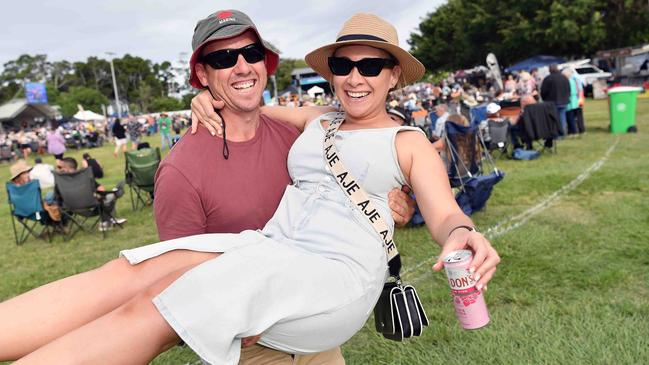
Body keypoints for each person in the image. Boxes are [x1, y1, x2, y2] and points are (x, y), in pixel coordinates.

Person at [0, 12, 500, 364]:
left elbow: (443, 212)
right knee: (141, 272)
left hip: (334, 275)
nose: (353, 78)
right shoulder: (317, 120)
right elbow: (249, 104)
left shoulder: (406, 140)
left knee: (154, 311)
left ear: (393, 76)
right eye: (343, 66)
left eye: (370, 67)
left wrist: (461, 233)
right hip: (270, 249)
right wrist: (206, 100)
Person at [55, 157, 125, 231]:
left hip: (71, 208)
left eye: (59, 167)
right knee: (110, 196)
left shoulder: (60, 181)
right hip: (91, 207)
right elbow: (101, 189)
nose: (57, 169)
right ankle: (106, 221)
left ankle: (108, 220)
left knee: (108, 197)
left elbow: (57, 197)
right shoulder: (84, 176)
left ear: (68, 168)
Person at [540, 64, 570, 136]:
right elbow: (568, 89)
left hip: (551, 102)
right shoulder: (564, 78)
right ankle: (562, 132)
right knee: (562, 117)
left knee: (553, 119)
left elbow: (543, 91)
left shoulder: (548, 79)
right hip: (563, 101)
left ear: (550, 70)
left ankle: (556, 134)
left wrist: (544, 99)